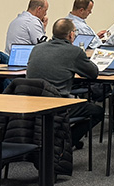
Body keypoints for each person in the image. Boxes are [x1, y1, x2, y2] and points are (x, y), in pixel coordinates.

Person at [26, 18, 103, 149]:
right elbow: (93, 73)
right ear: (71, 35)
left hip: (33, 102)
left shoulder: (37, 48)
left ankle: (60, 139)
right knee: (97, 112)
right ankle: (66, 142)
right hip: (58, 104)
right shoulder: (74, 52)